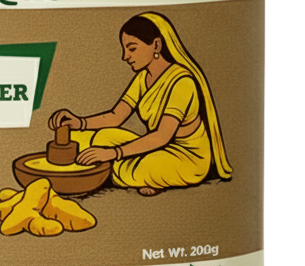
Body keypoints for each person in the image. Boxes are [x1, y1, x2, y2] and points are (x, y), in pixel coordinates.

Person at [49, 13, 231, 196]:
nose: (125, 56)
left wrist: (112, 153)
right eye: (125, 49)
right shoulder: (143, 77)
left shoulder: (182, 82)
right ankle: (131, 169)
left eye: (132, 49)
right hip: (156, 148)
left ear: (156, 45)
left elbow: (162, 136)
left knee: (130, 171)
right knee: (100, 137)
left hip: (187, 158)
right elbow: (116, 116)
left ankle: (136, 173)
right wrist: (79, 123)